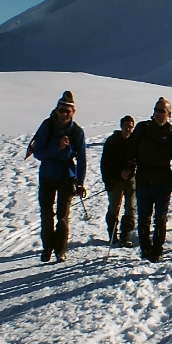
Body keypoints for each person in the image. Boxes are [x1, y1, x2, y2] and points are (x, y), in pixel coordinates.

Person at [30, 91, 87, 262]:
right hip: (47, 176)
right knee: (47, 214)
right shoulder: (47, 127)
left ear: (73, 112)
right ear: (56, 110)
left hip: (66, 177)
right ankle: (47, 249)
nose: (63, 114)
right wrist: (57, 147)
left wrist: (80, 182)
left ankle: (60, 250)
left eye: (67, 111)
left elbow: (82, 159)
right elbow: (37, 153)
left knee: (62, 216)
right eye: (61, 110)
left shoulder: (77, 132)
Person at [127, 97, 172, 261]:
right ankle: (146, 249)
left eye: (162, 111)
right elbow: (131, 150)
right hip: (144, 179)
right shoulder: (142, 128)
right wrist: (128, 167)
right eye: (156, 110)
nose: (158, 114)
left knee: (160, 218)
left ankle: (157, 250)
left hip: (163, 181)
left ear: (169, 114)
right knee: (144, 217)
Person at [100, 115, 136, 246]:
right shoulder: (112, 141)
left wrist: (130, 171)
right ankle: (113, 235)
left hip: (130, 179)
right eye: (126, 126)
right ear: (121, 126)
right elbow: (104, 163)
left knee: (130, 208)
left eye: (130, 127)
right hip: (114, 180)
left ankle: (126, 236)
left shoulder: (134, 141)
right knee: (114, 208)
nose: (128, 129)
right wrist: (108, 179)